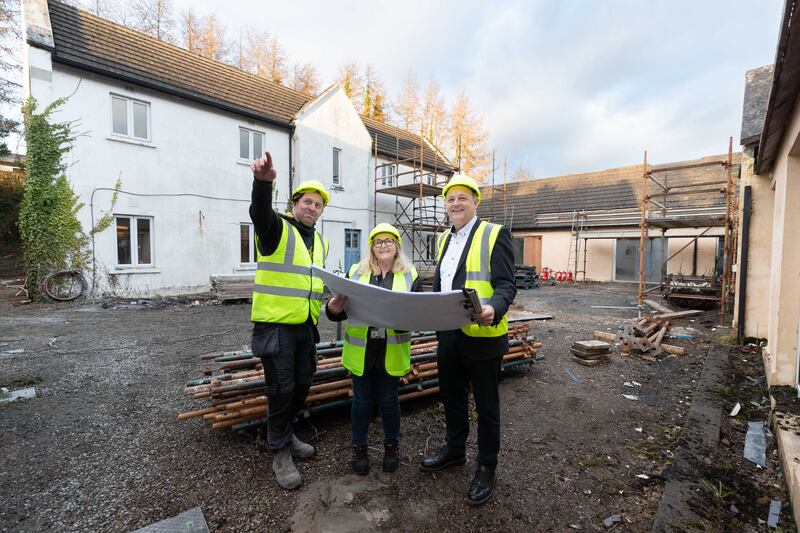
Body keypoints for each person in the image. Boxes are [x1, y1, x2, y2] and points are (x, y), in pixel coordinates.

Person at [419, 173, 516, 507]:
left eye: (463, 198)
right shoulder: (444, 239)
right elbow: (442, 284)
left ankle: (487, 466)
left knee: (487, 407)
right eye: (450, 199)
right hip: (448, 334)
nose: (456, 204)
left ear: (475, 201)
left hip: (483, 336)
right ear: (445, 206)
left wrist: (494, 307)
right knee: (452, 396)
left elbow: (507, 285)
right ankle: (455, 449)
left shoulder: (493, 234)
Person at [249, 151, 330, 490]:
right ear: (294, 204)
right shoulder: (277, 229)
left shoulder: (320, 242)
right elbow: (259, 213)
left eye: (317, 205)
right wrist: (262, 184)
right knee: (280, 390)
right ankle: (280, 451)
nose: (311, 208)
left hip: (305, 327)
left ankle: (288, 434)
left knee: (302, 385)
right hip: (276, 326)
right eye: (306, 202)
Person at [326, 223, 421, 475]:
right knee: (361, 401)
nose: (384, 245)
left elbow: (419, 314)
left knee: (389, 401)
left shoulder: (410, 274)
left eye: (389, 240)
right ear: (371, 247)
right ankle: (359, 448)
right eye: (378, 242)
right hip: (363, 349)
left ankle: (392, 447)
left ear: (397, 245)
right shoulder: (356, 271)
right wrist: (331, 310)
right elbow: (339, 310)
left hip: (391, 349)